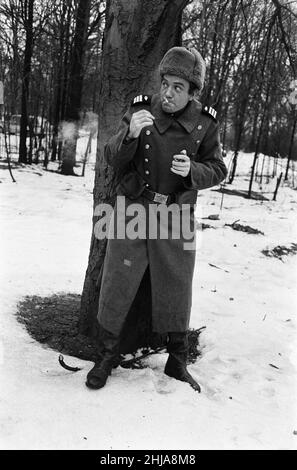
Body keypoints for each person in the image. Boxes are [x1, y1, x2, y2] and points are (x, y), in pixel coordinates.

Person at [86, 46, 227, 392]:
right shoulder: (139, 111)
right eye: (165, 83)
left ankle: (177, 362)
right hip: (132, 207)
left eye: (178, 87)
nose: (167, 92)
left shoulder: (204, 125)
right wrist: (130, 135)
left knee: (177, 284)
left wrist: (193, 170)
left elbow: (220, 168)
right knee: (117, 280)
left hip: (177, 212)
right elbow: (110, 157)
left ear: (192, 92)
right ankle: (105, 356)